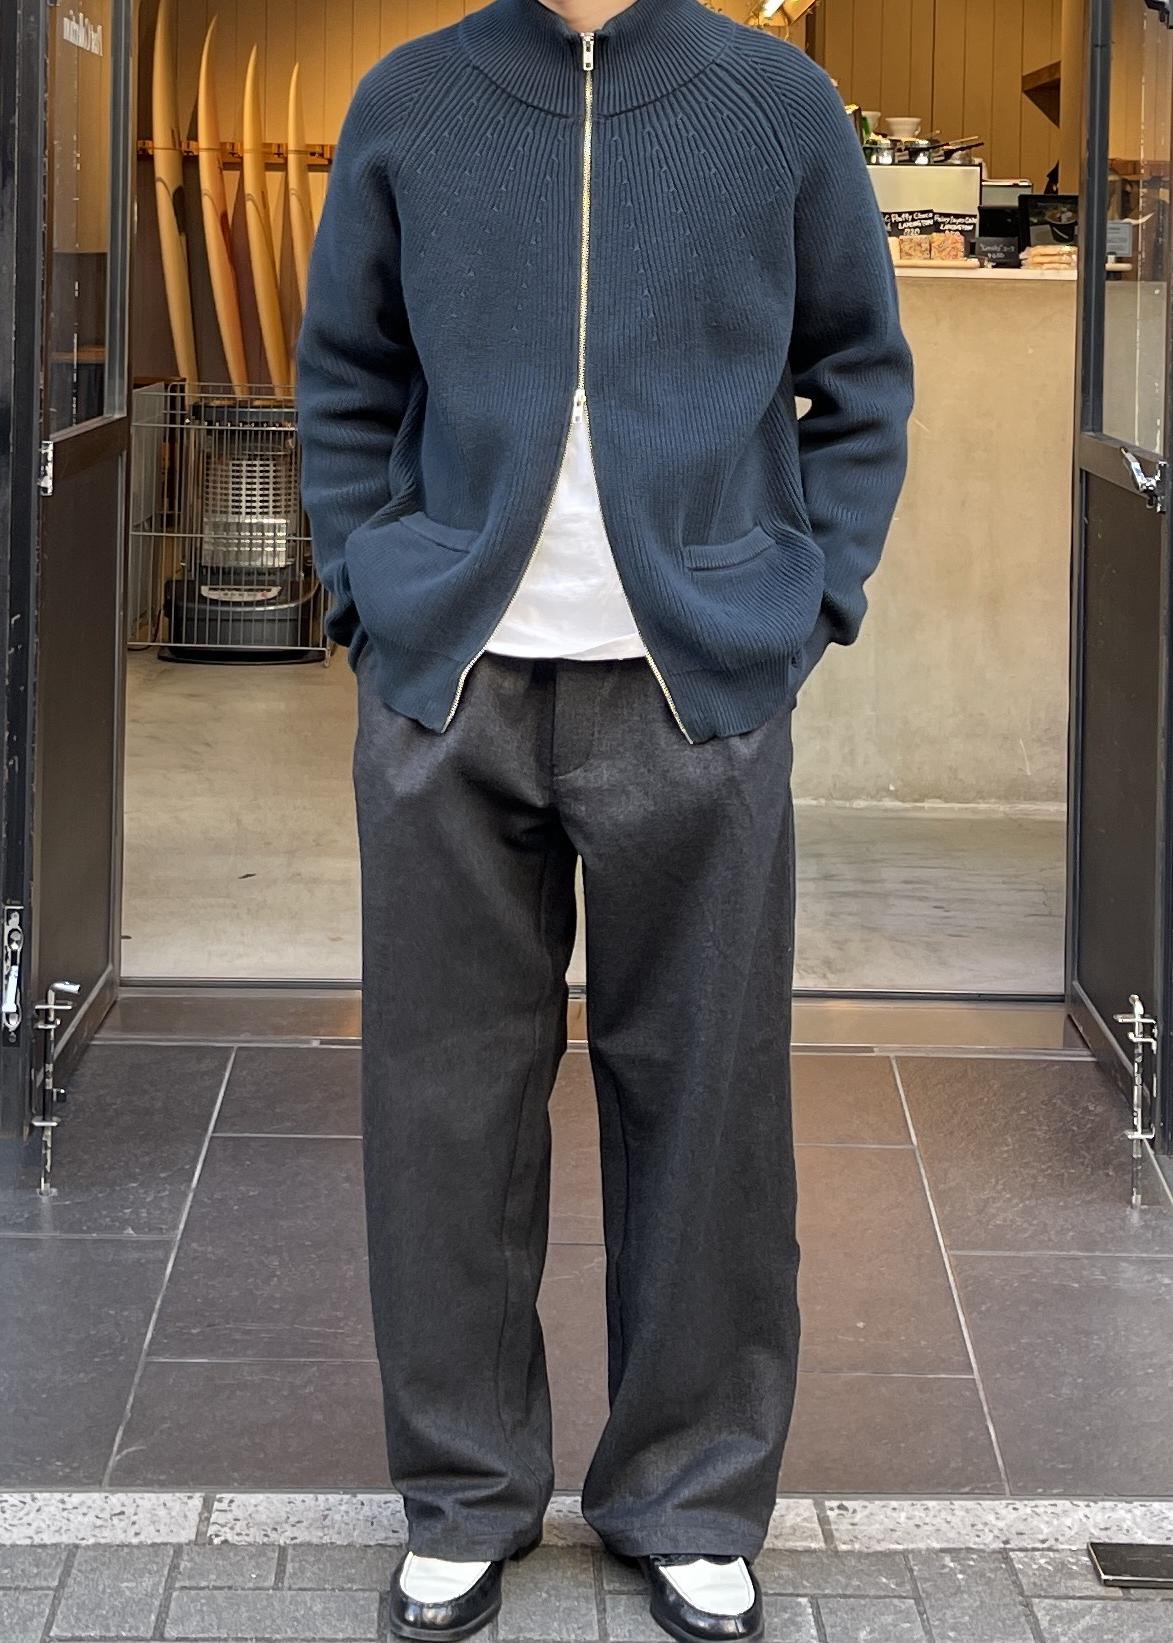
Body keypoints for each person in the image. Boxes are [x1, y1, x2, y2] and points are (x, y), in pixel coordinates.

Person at [295, 0, 913, 1637]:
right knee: (441, 1110)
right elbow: (345, 371)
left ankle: (689, 1497)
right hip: (450, 685)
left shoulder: (774, 102)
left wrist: (803, 601)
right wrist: (371, 592)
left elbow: (857, 374)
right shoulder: (412, 100)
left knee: (710, 1107)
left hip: (692, 687)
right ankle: (462, 1494)